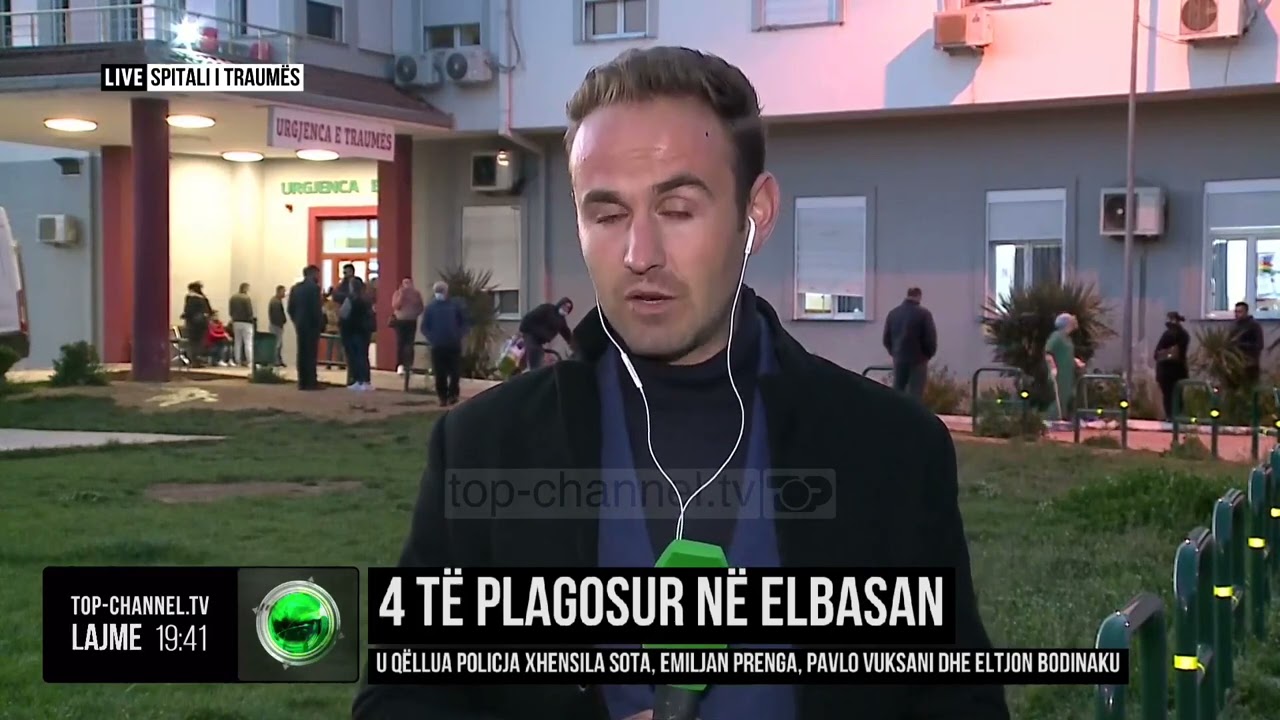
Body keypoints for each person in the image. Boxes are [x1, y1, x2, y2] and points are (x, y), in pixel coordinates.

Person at [352, 46, 1007, 720]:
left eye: (678, 209)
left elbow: (960, 702)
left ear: (756, 213)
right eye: (608, 215)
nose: (641, 255)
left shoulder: (892, 449)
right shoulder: (485, 446)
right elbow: (398, 699)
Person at [882, 286, 937, 399]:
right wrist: (927, 355)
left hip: (899, 359)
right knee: (915, 394)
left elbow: (886, 339)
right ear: (919, 296)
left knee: (898, 392)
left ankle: (896, 410)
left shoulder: (893, 314)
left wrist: (895, 352)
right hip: (918, 360)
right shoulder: (924, 314)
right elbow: (930, 339)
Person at [420, 281, 469, 406]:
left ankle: (453, 395)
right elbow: (424, 327)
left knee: (455, 372)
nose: (440, 293)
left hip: (453, 344)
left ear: (446, 292)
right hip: (438, 345)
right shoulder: (430, 308)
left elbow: (463, 322)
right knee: (440, 374)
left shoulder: (454, 306)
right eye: (438, 291)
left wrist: (458, 335)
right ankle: (443, 397)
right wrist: (433, 338)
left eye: (441, 291)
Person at [287, 265, 324, 390]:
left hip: (300, 324)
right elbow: (316, 308)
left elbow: (290, 308)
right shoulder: (314, 288)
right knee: (311, 353)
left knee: (302, 352)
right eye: (317, 274)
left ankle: (302, 381)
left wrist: (296, 320)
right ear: (312, 274)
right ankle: (311, 381)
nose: (318, 277)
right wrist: (320, 323)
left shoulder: (295, 288)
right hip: (311, 325)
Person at [1044, 313, 1085, 421]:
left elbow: (1066, 353)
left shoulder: (1067, 338)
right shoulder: (1056, 336)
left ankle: (1063, 419)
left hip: (1068, 373)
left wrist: (1075, 361)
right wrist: (1053, 367)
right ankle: (1051, 420)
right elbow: (1048, 353)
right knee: (1059, 397)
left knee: (1067, 396)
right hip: (1059, 373)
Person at [518, 296, 574, 369]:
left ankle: (525, 370)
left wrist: (574, 345)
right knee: (535, 352)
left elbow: (566, 333)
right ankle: (535, 372)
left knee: (538, 354)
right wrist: (523, 329)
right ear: (560, 304)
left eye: (568, 308)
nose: (566, 308)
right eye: (565, 306)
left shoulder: (561, 321)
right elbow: (529, 317)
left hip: (539, 341)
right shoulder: (547, 309)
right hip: (529, 334)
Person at [1154, 311, 1191, 421]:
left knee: (1174, 395)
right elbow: (1156, 353)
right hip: (1168, 371)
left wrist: (1164, 354)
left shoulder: (1180, 335)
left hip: (1173, 371)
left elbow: (1176, 353)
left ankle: (1174, 416)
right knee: (1170, 395)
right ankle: (1172, 416)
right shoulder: (1171, 334)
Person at [339, 277, 375, 391]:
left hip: (352, 331)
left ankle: (357, 380)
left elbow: (343, 314)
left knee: (354, 356)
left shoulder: (351, 299)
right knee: (363, 356)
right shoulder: (367, 299)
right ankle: (365, 380)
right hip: (364, 331)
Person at [332, 263, 360, 385]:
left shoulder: (357, 285)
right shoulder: (342, 285)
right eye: (343, 272)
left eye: (346, 272)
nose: (345, 275)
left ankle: (356, 377)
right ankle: (351, 376)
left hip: (355, 323)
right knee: (348, 350)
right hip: (346, 323)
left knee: (356, 352)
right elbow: (336, 296)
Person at [391, 277, 426, 375]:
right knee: (400, 343)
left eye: (409, 283)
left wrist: (414, 313)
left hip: (411, 321)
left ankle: (409, 365)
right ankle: (400, 365)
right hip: (400, 321)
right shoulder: (398, 293)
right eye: (405, 283)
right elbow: (395, 306)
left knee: (410, 343)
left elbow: (420, 307)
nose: (407, 285)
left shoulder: (416, 294)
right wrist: (402, 295)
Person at [1231, 301, 1264, 386]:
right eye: (1236, 312)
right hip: (1235, 364)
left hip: (1250, 364)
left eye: (1240, 312)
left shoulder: (1254, 326)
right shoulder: (1235, 326)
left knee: (1250, 386)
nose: (1237, 314)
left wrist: (1241, 345)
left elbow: (1259, 345)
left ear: (1246, 312)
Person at [180, 281, 212, 367]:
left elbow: (188, 310)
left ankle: (193, 361)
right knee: (200, 342)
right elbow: (210, 311)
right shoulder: (204, 298)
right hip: (203, 323)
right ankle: (199, 360)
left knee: (192, 342)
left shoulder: (190, 298)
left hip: (193, 324)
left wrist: (184, 315)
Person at [228, 282, 255, 368]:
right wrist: (251, 318)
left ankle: (237, 361)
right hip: (246, 322)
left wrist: (234, 317)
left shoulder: (233, 298)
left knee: (237, 342)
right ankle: (249, 361)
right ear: (245, 288)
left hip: (236, 321)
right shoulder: (246, 298)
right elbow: (249, 311)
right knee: (248, 342)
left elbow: (230, 311)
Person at [267, 285, 287, 367]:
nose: (284, 293)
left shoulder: (275, 300)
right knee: (277, 344)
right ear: (279, 291)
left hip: (275, 325)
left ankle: (278, 360)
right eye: (283, 291)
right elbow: (276, 315)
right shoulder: (276, 302)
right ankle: (275, 360)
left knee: (278, 344)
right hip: (276, 325)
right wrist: (281, 322)